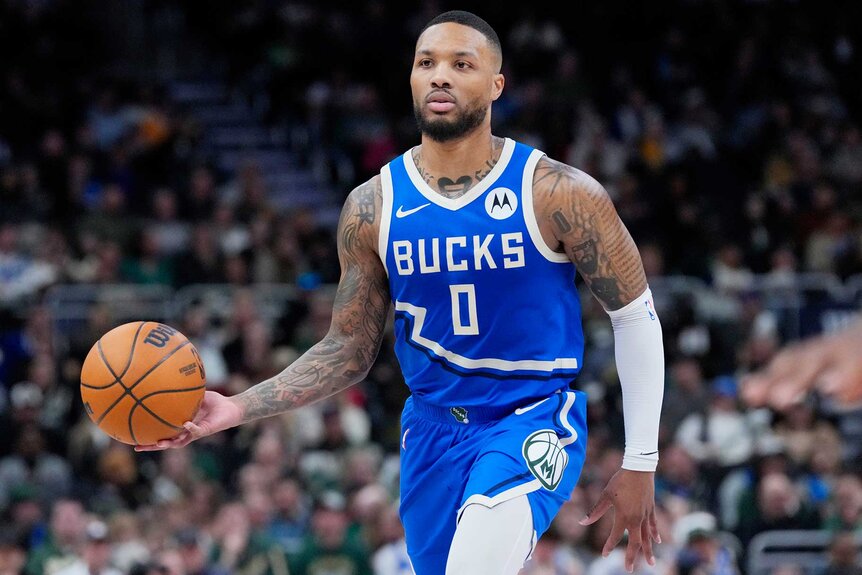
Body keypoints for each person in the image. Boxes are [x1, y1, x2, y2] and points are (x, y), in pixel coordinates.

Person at [137, 10, 665, 574]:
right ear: (411, 79)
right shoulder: (372, 206)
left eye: (462, 64)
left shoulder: (559, 192)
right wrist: (235, 407)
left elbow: (634, 316)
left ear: (495, 85)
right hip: (431, 430)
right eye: (426, 63)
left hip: (530, 419)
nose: (441, 76)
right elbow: (348, 349)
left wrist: (641, 459)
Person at [742, 317, 862, 410]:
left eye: (752, 390)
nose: (756, 395)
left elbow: (817, 354)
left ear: (756, 378)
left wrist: (800, 381)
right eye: (757, 401)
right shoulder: (783, 397)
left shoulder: (781, 363)